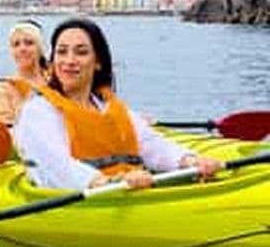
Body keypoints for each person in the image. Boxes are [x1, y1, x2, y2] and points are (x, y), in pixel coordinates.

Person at [14, 17, 221, 191]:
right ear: (52, 60)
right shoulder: (39, 111)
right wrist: (109, 182)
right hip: (88, 196)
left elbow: (151, 144)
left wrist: (191, 161)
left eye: (81, 52)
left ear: (98, 62)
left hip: (125, 189)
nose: (69, 60)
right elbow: (57, 166)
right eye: (62, 52)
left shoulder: (110, 107)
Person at [0, 19, 49, 126]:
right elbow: (3, 126)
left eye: (29, 43)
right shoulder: (6, 87)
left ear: (40, 48)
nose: (22, 49)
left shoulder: (55, 80)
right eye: (16, 44)